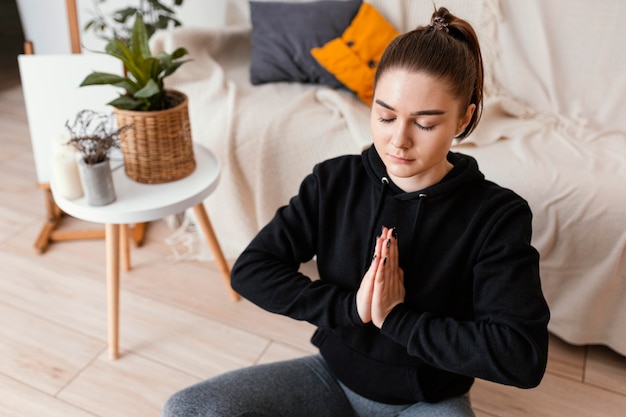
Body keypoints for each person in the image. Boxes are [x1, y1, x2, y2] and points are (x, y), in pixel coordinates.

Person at [163, 6, 550, 417]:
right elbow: (252, 270)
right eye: (385, 116)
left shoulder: (497, 216)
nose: (398, 141)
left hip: (426, 400)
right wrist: (353, 309)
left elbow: (521, 358)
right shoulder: (335, 182)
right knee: (188, 408)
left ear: (463, 119)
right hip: (332, 378)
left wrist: (397, 318)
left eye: (424, 124)